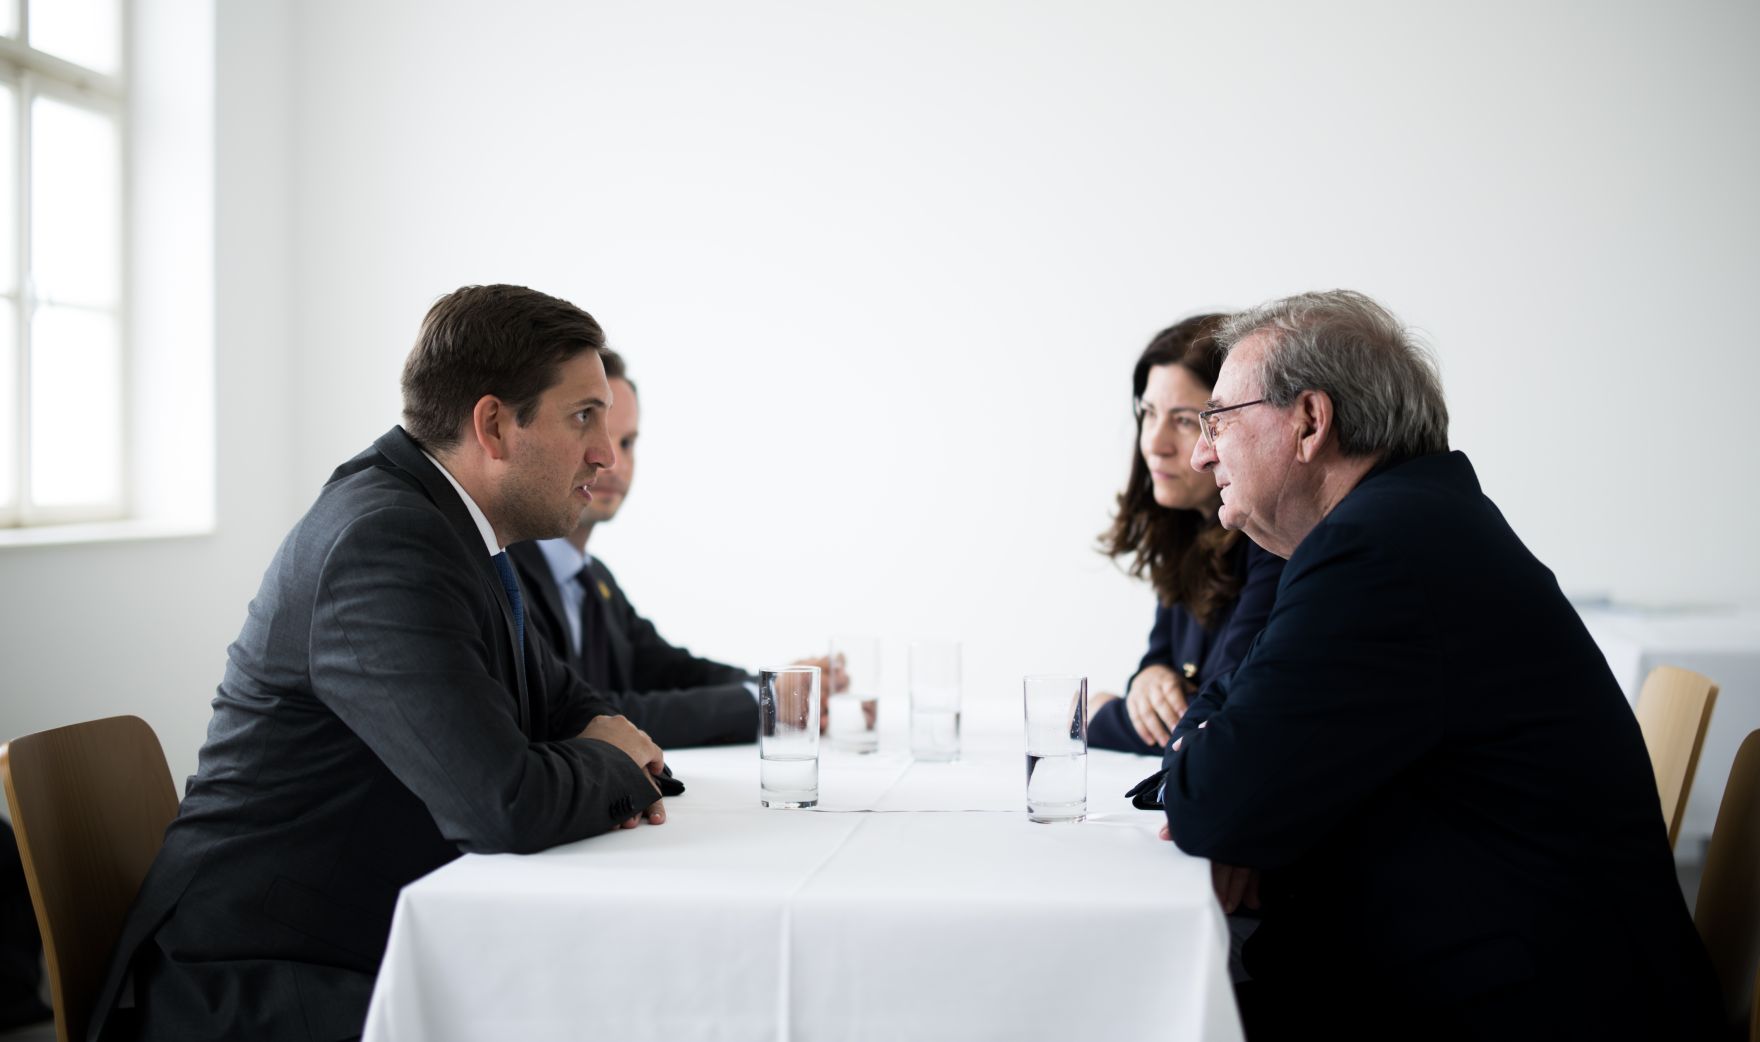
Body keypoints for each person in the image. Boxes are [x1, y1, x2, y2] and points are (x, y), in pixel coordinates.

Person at [89, 285, 672, 1042]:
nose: (604, 453)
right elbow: (503, 806)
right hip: (254, 981)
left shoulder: (455, 529)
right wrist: (616, 763)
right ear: (494, 426)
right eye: (583, 416)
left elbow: (560, 701)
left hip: (351, 940)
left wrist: (600, 741)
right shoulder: (384, 541)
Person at [1144, 290, 1721, 1038]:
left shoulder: (1374, 554)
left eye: (1218, 419)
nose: (1201, 452)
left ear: (1310, 422)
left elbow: (1214, 799)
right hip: (1507, 973)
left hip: (1526, 1010)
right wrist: (1230, 787)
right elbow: (1230, 709)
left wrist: (1228, 798)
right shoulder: (1402, 524)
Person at [510, 352, 827, 746]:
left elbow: (667, 668)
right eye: (586, 429)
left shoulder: (594, 580)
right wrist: (768, 702)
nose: (613, 462)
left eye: (627, 442)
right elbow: (586, 717)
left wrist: (782, 687)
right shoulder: (507, 575)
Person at [1089, 315, 1283, 755]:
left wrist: (1097, 713)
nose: (1154, 444)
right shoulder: (1185, 526)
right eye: (1148, 414)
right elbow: (1160, 670)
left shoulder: (1270, 540)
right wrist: (1149, 677)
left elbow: (1216, 721)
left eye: (1182, 421)